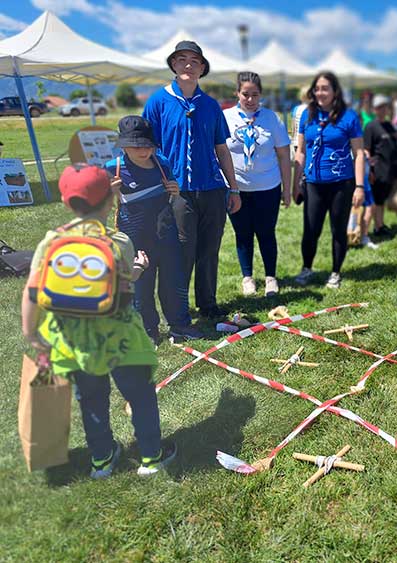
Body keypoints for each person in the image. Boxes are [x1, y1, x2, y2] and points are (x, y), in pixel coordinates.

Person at [20, 165, 176, 478]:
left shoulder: (51, 242)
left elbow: (32, 292)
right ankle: (151, 457)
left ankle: (102, 460)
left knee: (91, 400)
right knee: (140, 396)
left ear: (67, 203)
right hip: (121, 338)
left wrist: (32, 333)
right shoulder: (119, 241)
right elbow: (123, 285)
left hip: (74, 340)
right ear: (110, 200)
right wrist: (140, 268)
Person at [143, 40, 241, 319]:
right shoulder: (158, 102)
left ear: (202, 68)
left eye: (194, 61)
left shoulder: (210, 106)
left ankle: (208, 304)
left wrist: (233, 188)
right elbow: (148, 148)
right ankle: (179, 309)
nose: (188, 65)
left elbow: (221, 149)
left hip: (212, 188)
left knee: (209, 250)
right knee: (181, 250)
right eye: (182, 59)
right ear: (173, 65)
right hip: (177, 192)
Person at [105, 116, 202, 346]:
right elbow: (100, 207)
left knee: (173, 280)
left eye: (148, 145)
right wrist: (108, 192)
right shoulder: (113, 169)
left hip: (165, 232)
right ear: (123, 145)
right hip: (134, 238)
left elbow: (174, 196)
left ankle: (180, 323)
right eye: (137, 146)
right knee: (141, 286)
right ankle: (147, 330)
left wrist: (175, 190)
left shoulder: (161, 163)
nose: (144, 151)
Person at [292, 71, 366, 290]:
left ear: (335, 92)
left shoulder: (349, 117)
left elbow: (359, 153)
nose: (320, 93)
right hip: (313, 183)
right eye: (317, 88)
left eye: (325, 88)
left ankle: (335, 272)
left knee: (338, 229)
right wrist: (297, 183)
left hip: (341, 183)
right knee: (311, 229)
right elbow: (301, 151)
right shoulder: (308, 116)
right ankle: (306, 268)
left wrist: (359, 186)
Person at [223, 72, 291, 297]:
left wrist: (287, 189)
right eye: (245, 94)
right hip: (236, 189)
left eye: (255, 95)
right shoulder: (225, 118)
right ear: (237, 93)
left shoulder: (272, 119)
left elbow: (283, 155)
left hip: (267, 188)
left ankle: (271, 277)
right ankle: (248, 277)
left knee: (266, 233)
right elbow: (218, 152)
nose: (250, 99)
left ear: (261, 94)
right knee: (242, 234)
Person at [363, 94, 397, 238]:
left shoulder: (390, 126)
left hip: (390, 169)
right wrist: (369, 170)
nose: (382, 110)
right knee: (376, 199)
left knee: (382, 199)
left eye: (384, 107)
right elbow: (366, 149)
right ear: (374, 109)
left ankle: (380, 225)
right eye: (378, 107)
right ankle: (373, 228)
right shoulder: (370, 126)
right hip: (378, 169)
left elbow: (395, 149)